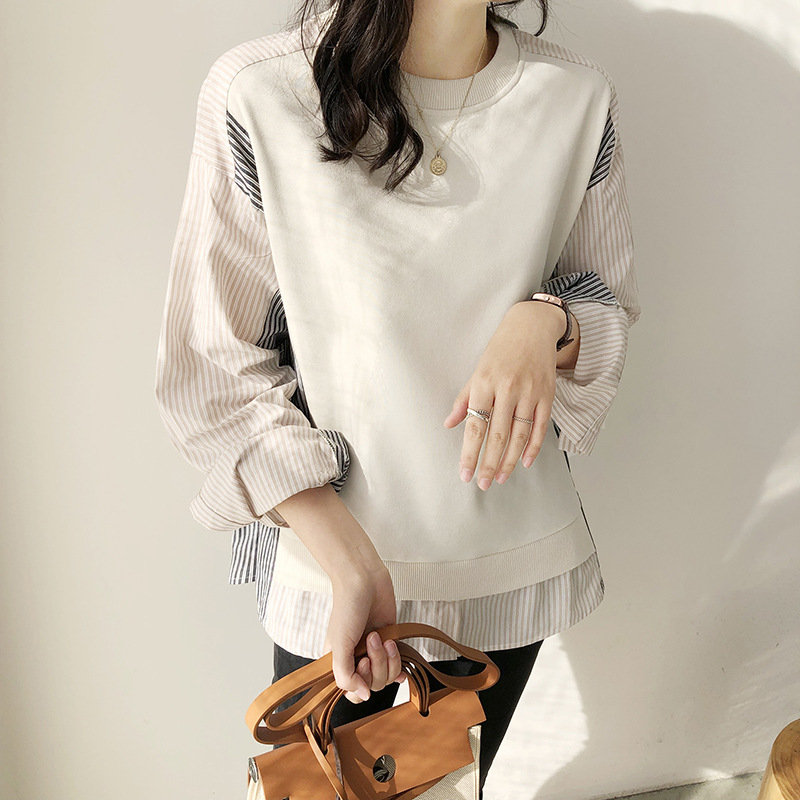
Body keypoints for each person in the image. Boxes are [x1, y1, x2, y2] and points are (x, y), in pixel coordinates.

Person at [154, 0, 641, 794]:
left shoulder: (576, 96)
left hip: (507, 562)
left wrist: (544, 322)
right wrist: (350, 565)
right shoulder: (262, 91)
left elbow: (605, 298)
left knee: (453, 793)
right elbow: (214, 366)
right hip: (334, 567)